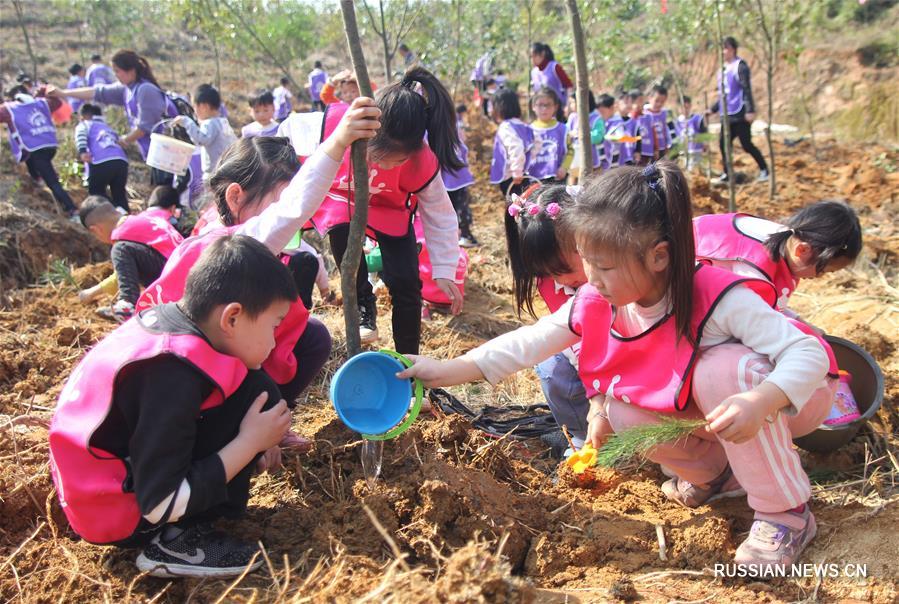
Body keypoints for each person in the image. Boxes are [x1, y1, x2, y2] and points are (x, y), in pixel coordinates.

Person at [400, 161, 837, 572]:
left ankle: (785, 512)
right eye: (585, 261)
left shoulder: (717, 293)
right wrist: (443, 369)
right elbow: (526, 343)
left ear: (658, 257)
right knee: (622, 411)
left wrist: (763, 399)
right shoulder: (599, 299)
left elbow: (808, 355)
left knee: (720, 370)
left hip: (791, 394)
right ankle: (719, 477)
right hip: (721, 407)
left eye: (604, 266)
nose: (591, 278)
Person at [50, 235, 300, 577]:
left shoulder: (174, 325)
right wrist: (249, 443)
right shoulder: (170, 375)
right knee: (253, 397)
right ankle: (177, 541)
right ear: (232, 318)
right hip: (119, 509)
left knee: (256, 389)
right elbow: (159, 502)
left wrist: (263, 438)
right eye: (274, 325)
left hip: (110, 475)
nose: (274, 342)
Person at [137, 98, 380, 412]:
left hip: (223, 354)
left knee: (313, 336)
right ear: (236, 196)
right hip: (189, 375)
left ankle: (270, 414)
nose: (290, 219)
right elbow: (293, 210)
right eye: (277, 201)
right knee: (263, 383)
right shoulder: (228, 245)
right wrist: (336, 143)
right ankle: (248, 430)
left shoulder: (229, 227)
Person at [309, 67, 463, 353]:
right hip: (346, 201)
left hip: (393, 213)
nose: (386, 165)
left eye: (396, 160)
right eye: (378, 156)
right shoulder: (343, 124)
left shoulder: (422, 161)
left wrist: (444, 269)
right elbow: (289, 142)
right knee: (346, 248)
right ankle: (363, 306)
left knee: (406, 283)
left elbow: (440, 216)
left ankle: (408, 359)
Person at [504, 184, 588, 452]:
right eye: (552, 273)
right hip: (591, 366)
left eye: (565, 269)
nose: (563, 280)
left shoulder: (619, 266)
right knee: (553, 365)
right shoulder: (551, 284)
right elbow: (572, 339)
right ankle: (581, 435)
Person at [694, 202, 862, 316]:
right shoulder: (753, 266)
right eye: (824, 270)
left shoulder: (787, 238)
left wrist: (798, 321)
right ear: (802, 250)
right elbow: (755, 318)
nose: (819, 277)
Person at [57, 49, 179, 185]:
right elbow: (96, 92)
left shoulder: (146, 90)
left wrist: (123, 140)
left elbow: (144, 127)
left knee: (170, 192)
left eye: (117, 71)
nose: (116, 76)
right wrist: (62, 93)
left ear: (131, 71)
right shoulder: (127, 90)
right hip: (154, 155)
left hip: (169, 155)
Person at [77, 193, 183, 322]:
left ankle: (127, 306)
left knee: (120, 249)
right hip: (187, 272)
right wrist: (92, 293)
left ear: (96, 230)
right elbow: (124, 275)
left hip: (177, 281)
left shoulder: (122, 237)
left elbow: (124, 276)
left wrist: (90, 293)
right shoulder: (143, 220)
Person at [1, 85, 78, 218]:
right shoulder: (42, 103)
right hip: (49, 146)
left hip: (34, 149)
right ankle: (37, 178)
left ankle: (72, 210)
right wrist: (43, 89)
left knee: (52, 182)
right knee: (30, 160)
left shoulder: (9, 108)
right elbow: (57, 102)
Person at [710, 36, 769, 183]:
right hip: (726, 114)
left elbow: (746, 89)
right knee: (724, 145)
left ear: (732, 49)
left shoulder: (740, 66)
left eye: (725, 48)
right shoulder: (722, 70)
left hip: (739, 113)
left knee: (746, 144)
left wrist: (750, 110)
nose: (723, 52)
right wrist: (713, 109)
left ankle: (764, 170)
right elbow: (724, 94)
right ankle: (727, 173)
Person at [173, 84, 237, 181]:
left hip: (215, 172)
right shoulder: (223, 121)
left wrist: (186, 122)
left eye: (194, 107)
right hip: (228, 168)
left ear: (204, 107)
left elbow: (201, 139)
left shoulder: (209, 123)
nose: (194, 112)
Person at [75, 103, 129, 212]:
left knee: (96, 192)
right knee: (119, 193)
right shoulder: (107, 127)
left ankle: (117, 212)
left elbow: (80, 136)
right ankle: (127, 217)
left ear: (83, 116)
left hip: (101, 160)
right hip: (121, 161)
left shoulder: (85, 124)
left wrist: (82, 151)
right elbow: (121, 142)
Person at [443, 104, 478, 247]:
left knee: (453, 207)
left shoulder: (434, 130)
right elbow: (464, 147)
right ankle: (462, 234)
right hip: (454, 176)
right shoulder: (455, 126)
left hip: (450, 177)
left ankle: (462, 234)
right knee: (459, 206)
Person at [490, 88, 534, 198]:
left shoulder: (506, 127)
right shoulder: (522, 125)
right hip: (523, 173)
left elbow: (516, 148)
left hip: (512, 176)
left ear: (499, 107)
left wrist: (517, 172)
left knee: (514, 204)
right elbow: (535, 145)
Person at [528, 87, 569, 183]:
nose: (544, 109)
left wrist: (564, 167)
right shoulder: (528, 130)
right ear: (533, 106)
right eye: (540, 105)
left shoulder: (563, 129)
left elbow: (570, 150)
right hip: (534, 179)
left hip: (557, 178)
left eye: (548, 105)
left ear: (555, 107)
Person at [566, 90, 604, 182]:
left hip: (592, 160)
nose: (571, 105)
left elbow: (598, 137)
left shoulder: (596, 118)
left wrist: (583, 135)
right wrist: (570, 135)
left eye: (573, 102)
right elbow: (566, 132)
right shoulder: (572, 117)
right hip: (574, 160)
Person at [530, 43, 573, 108]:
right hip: (542, 109)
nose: (532, 59)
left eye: (535, 56)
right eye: (531, 57)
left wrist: (569, 105)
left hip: (559, 108)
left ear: (542, 54)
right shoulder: (534, 72)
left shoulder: (554, 67)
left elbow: (569, 86)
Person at [673, 95, 707, 170]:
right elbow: (676, 136)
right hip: (683, 151)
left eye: (687, 107)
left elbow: (703, 131)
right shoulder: (677, 122)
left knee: (695, 169)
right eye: (682, 108)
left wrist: (705, 143)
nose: (685, 110)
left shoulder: (696, 119)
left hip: (695, 150)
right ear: (678, 108)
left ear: (690, 106)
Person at [644, 85, 673, 160]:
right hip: (649, 149)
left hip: (662, 147)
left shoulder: (663, 113)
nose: (659, 104)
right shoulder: (645, 113)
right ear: (650, 98)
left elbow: (664, 130)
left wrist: (667, 144)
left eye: (662, 102)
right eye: (657, 101)